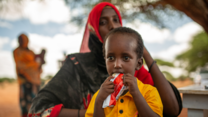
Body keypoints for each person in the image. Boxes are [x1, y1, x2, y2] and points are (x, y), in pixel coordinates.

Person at [28, 2, 182, 117]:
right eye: (103, 22)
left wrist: (145, 54)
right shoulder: (77, 64)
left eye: (116, 20)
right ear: (93, 29)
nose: (112, 26)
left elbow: (172, 110)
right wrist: (97, 109)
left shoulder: (136, 72)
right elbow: (39, 109)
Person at [85, 27, 163, 117]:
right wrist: (99, 101)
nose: (117, 65)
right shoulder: (100, 96)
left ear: (138, 63)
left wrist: (136, 93)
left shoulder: (149, 92)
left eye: (126, 58)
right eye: (111, 58)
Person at [13, 34, 41, 117]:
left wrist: (40, 59)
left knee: (35, 101)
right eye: (19, 40)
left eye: (22, 39)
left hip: (35, 81)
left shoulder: (31, 52)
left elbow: (38, 63)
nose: (21, 41)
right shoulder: (17, 51)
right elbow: (20, 65)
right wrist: (35, 64)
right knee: (25, 101)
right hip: (24, 79)